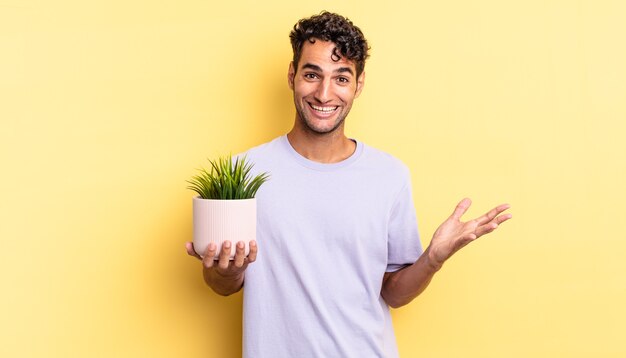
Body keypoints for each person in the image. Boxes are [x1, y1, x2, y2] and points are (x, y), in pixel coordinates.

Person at [186, 11, 512, 357]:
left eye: (341, 78)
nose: (325, 94)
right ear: (292, 75)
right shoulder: (245, 171)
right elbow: (223, 285)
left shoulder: (389, 175)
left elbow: (393, 293)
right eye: (312, 75)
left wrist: (431, 259)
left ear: (358, 84)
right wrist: (224, 272)